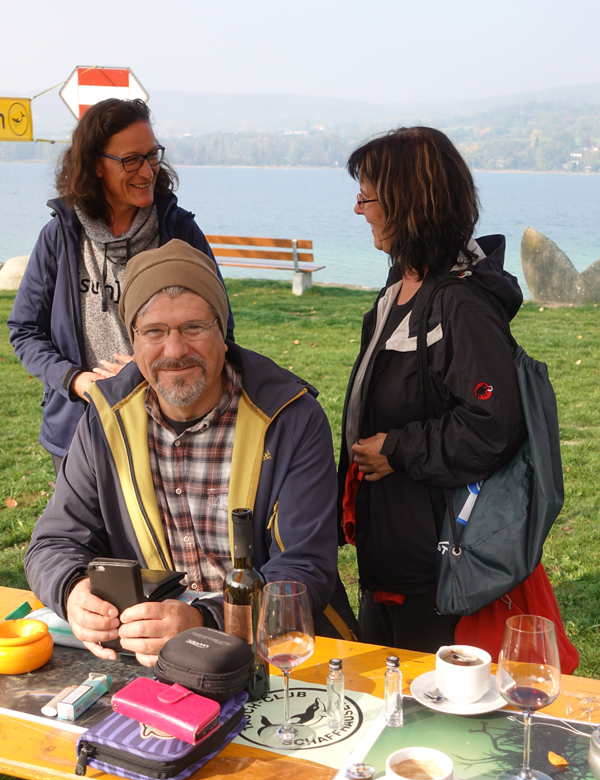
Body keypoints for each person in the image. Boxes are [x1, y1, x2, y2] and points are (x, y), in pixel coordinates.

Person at [24, 239, 358, 667]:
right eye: (154, 332)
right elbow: (54, 541)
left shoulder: (291, 418)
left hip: (277, 654)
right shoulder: (106, 418)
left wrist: (204, 620)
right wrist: (72, 590)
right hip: (151, 656)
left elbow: (304, 570)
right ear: (133, 340)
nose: (175, 349)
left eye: (194, 328)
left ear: (223, 333)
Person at [338, 126, 526, 653]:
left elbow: (494, 424)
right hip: (392, 550)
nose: (358, 210)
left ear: (408, 205)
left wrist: (399, 449)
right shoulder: (399, 289)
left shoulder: (461, 305)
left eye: (366, 198)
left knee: (427, 698)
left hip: (438, 562)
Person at [8, 98, 233, 476]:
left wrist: (153, 364)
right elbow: (25, 330)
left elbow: (220, 328)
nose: (147, 170)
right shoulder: (60, 235)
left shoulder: (179, 232)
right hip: (78, 428)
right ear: (95, 165)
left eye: (152, 155)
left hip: (165, 429)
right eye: (131, 160)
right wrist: (74, 380)